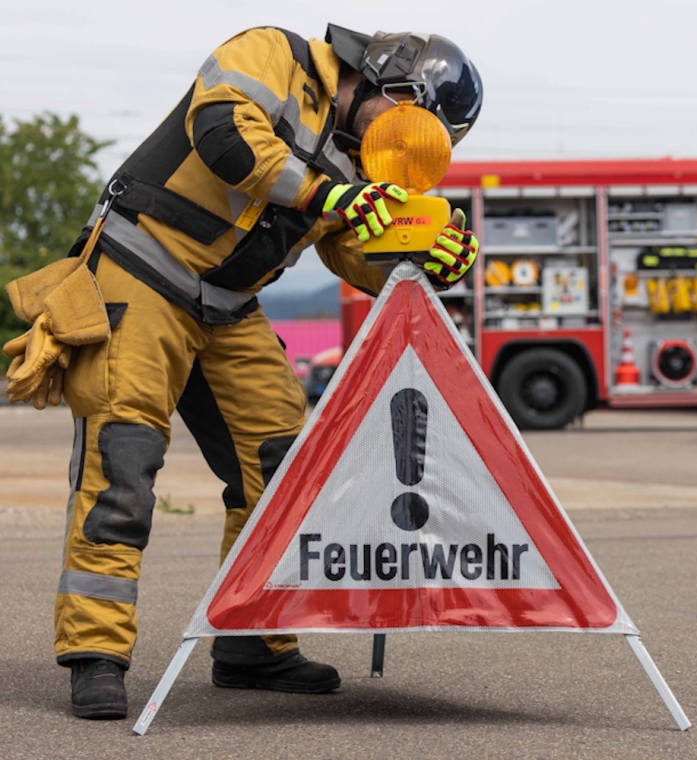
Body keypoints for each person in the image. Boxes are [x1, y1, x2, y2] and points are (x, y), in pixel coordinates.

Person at [4, 24, 482, 720]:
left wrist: (421, 260)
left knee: (288, 469)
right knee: (123, 461)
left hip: (227, 307)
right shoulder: (276, 56)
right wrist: (325, 195)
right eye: (408, 125)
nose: (401, 148)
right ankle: (95, 653)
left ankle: (251, 640)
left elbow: (354, 254)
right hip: (141, 274)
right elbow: (223, 132)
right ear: (392, 81)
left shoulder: (359, 161)